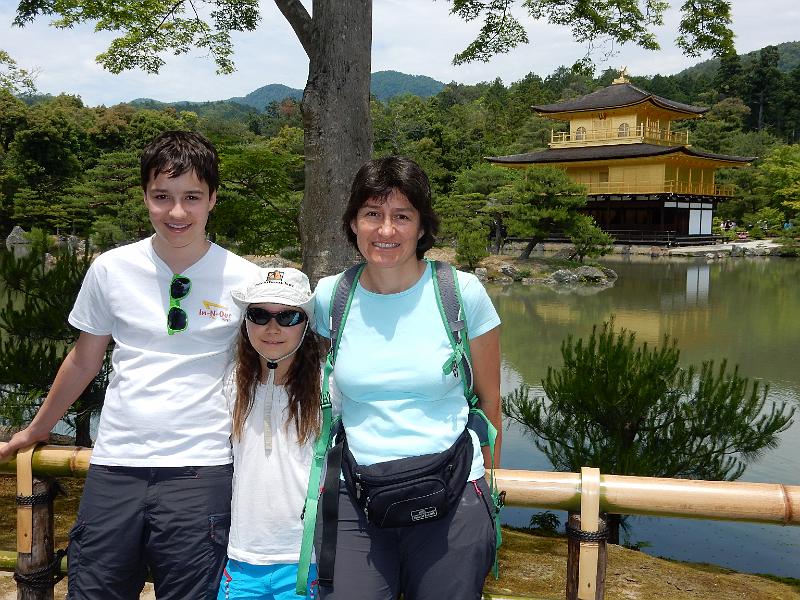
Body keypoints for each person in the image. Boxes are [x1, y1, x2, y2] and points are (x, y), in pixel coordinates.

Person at [0, 130, 260, 599]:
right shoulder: (111, 268)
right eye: (162, 196)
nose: (176, 212)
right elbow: (84, 360)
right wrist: (35, 430)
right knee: (93, 590)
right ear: (145, 197)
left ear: (212, 199)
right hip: (116, 463)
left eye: (191, 197)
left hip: (202, 468)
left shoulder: (246, 280)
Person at [312, 155, 502, 599]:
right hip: (355, 493)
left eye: (402, 216)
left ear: (421, 226)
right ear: (353, 223)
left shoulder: (461, 294)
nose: (386, 230)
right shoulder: (330, 297)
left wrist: (489, 490)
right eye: (372, 214)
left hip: (454, 492)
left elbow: (490, 401)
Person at [220, 267, 322, 600]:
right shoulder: (232, 381)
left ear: (306, 324)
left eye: (288, 317)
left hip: (305, 559)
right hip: (241, 559)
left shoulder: (329, 386)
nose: (273, 328)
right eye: (260, 315)